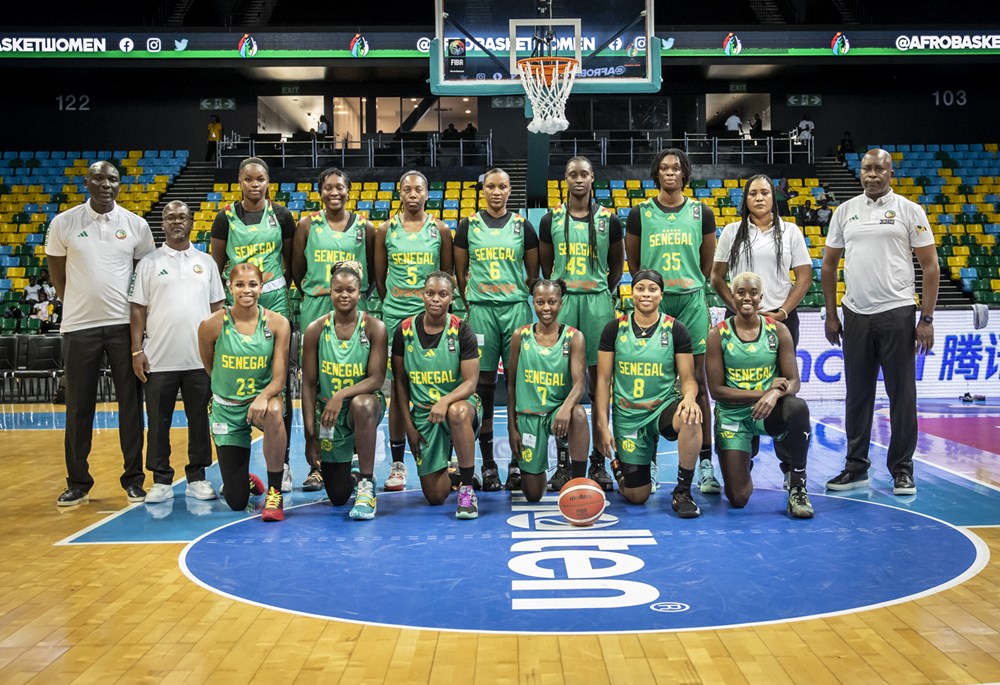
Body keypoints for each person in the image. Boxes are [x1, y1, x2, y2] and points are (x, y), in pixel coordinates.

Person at [822, 148, 939, 496]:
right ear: (860, 172)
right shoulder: (845, 211)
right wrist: (832, 314)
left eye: (879, 169)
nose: (872, 174)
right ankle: (856, 467)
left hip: (897, 312)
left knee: (902, 395)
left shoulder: (909, 210)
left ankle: (902, 470)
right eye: (867, 169)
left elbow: (930, 267)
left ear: (891, 174)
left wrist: (926, 318)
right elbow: (828, 265)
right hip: (855, 313)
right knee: (857, 395)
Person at [46, 160, 155, 506]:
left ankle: (134, 480)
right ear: (87, 183)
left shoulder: (136, 225)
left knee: (131, 406)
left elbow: (145, 278)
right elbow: (58, 275)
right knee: (78, 408)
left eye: (112, 179)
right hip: (79, 328)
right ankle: (78, 482)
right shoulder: (63, 223)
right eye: (98, 178)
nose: (106, 184)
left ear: (120, 185)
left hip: (124, 327)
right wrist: (79, 304)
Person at [625, 148, 721, 495]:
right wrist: (651, 291)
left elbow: (706, 264)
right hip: (656, 301)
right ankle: (649, 461)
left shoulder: (701, 212)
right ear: (657, 174)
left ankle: (706, 464)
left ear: (684, 174)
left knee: (698, 382)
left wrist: (689, 281)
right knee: (653, 383)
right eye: (664, 168)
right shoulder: (640, 213)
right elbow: (634, 263)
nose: (669, 172)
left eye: (675, 168)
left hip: (691, 300)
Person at [129, 201, 224, 505]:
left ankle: (197, 477)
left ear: (192, 222)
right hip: (159, 358)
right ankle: (160, 480)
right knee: (158, 422)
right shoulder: (148, 263)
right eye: (170, 217)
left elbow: (217, 308)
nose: (177, 221)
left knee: (199, 420)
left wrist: (218, 349)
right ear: (163, 224)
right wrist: (136, 350)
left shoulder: (206, 262)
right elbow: (138, 310)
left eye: (182, 216)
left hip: (199, 359)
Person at [211, 157, 297, 492]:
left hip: (274, 300)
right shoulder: (225, 218)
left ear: (268, 181)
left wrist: (268, 290)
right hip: (239, 301)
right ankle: (238, 466)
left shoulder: (282, 216)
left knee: (280, 386)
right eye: (248, 179)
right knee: (235, 370)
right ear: (240, 182)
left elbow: (289, 263)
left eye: (260, 179)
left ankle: (283, 465)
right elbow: (218, 263)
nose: (255, 184)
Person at [539, 156, 623, 492]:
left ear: (592, 179)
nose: (578, 179)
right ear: (565, 179)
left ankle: (599, 460)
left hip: (598, 302)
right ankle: (564, 463)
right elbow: (547, 266)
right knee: (562, 383)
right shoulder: (550, 219)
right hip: (564, 302)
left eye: (584, 174)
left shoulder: (609, 220)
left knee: (599, 382)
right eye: (572, 174)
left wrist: (599, 289)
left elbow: (616, 267)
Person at [454, 167, 539, 491]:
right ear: (483, 190)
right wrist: (475, 301)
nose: (497, 192)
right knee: (483, 385)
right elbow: (460, 274)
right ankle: (488, 463)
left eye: (503, 186)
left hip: (515, 308)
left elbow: (532, 274)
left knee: (518, 382)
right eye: (491, 186)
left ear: (509, 190)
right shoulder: (468, 226)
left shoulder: (523, 226)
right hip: (481, 310)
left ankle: (517, 462)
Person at [593, 269, 702, 517]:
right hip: (629, 415)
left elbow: (688, 379)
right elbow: (603, 381)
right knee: (637, 496)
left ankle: (683, 491)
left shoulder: (675, 329)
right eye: (640, 288)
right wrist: (602, 426)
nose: (646, 294)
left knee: (691, 417)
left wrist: (689, 398)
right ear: (631, 293)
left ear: (661, 295)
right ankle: (620, 465)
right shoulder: (614, 329)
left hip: (662, 408)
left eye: (652, 289)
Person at [292, 168, 376, 491]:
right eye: (328, 187)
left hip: (354, 306)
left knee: (355, 378)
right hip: (317, 303)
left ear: (349, 190)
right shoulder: (306, 225)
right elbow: (297, 270)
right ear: (320, 192)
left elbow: (373, 271)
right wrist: (319, 291)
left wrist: (357, 296)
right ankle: (315, 461)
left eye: (340, 187)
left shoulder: (366, 227)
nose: (334, 192)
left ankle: (354, 456)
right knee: (316, 381)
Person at [706, 272, 814, 518]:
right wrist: (764, 392)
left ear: (761, 298)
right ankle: (743, 459)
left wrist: (774, 395)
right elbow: (716, 391)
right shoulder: (717, 335)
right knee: (738, 498)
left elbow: (794, 381)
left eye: (753, 293)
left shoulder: (779, 330)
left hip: (768, 412)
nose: (747, 297)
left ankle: (797, 486)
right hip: (733, 415)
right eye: (741, 292)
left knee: (797, 407)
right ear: (732, 297)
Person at [375, 170, 454, 493]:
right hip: (396, 315)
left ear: (427, 194)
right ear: (399, 193)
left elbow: (446, 275)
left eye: (418, 189)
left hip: (432, 316)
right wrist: (397, 303)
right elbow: (380, 278)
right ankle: (397, 464)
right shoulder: (385, 230)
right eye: (406, 189)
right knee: (398, 390)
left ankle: (446, 456)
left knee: (441, 385)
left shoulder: (441, 230)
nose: (412, 194)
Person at [198, 262, 290, 520]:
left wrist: (262, 397)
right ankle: (240, 478)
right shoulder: (211, 325)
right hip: (227, 410)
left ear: (261, 287)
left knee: (274, 411)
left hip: (260, 403)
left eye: (252, 284)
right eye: (239, 284)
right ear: (230, 287)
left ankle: (275, 492)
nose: (246, 290)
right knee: (236, 501)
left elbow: (279, 379)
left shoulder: (278, 323)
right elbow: (210, 366)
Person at [391, 271, 482, 518]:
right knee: (435, 496)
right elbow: (400, 383)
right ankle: (454, 474)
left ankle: (467, 489)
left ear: (451, 298)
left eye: (442, 294)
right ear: (422, 295)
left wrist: (445, 401)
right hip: (424, 414)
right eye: (430, 293)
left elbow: (471, 383)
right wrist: (409, 427)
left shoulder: (462, 330)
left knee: (457, 412)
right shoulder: (404, 331)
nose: (435, 299)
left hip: (459, 405)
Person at [301, 263, 388, 519]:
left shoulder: (375, 328)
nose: (344, 295)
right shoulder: (315, 330)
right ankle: (352, 472)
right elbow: (308, 384)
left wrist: (341, 394)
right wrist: (310, 436)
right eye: (338, 290)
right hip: (329, 416)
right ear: (330, 291)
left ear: (359, 293)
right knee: (338, 496)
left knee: (363, 404)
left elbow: (376, 379)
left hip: (361, 406)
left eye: (350, 290)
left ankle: (366, 484)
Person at [506, 279, 589, 502]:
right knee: (533, 494)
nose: (546, 308)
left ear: (561, 303)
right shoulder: (520, 336)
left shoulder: (574, 337)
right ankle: (536, 468)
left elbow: (579, 384)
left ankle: (578, 483)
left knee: (578, 414)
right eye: (540, 302)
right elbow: (511, 384)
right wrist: (511, 426)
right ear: (532, 302)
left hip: (557, 413)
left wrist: (565, 408)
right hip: (529, 417)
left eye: (552, 302)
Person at [711, 174, 812, 347]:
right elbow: (716, 277)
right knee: (738, 365)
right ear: (746, 199)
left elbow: (805, 277)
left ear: (773, 197)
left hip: (781, 318)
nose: (759, 198)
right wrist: (736, 308)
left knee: (785, 366)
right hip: (739, 317)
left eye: (765, 193)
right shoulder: (731, 232)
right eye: (753, 193)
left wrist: (783, 313)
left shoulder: (791, 231)